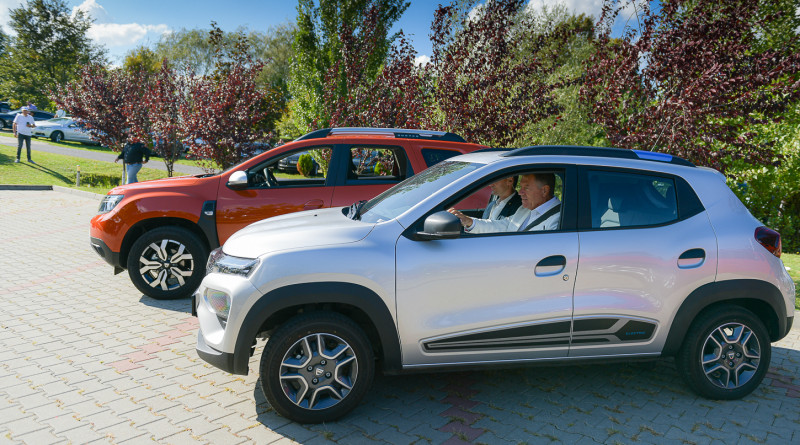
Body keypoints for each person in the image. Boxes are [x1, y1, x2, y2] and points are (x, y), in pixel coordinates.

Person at [449, 173, 561, 233]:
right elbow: (501, 226)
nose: (520, 192)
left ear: (544, 190)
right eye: (520, 187)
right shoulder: (524, 209)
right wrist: (469, 221)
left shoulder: (560, 218)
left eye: (526, 188)